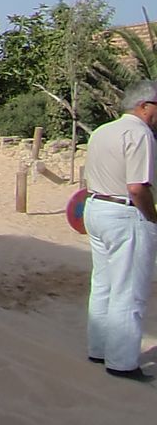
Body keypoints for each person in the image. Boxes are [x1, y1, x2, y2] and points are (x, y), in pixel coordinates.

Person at [83, 80, 157, 382]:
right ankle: (122, 362)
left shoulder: (102, 131)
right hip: (124, 212)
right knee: (129, 290)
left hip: (95, 206)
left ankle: (98, 348)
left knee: (103, 284)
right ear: (145, 106)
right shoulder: (140, 134)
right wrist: (152, 217)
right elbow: (137, 187)